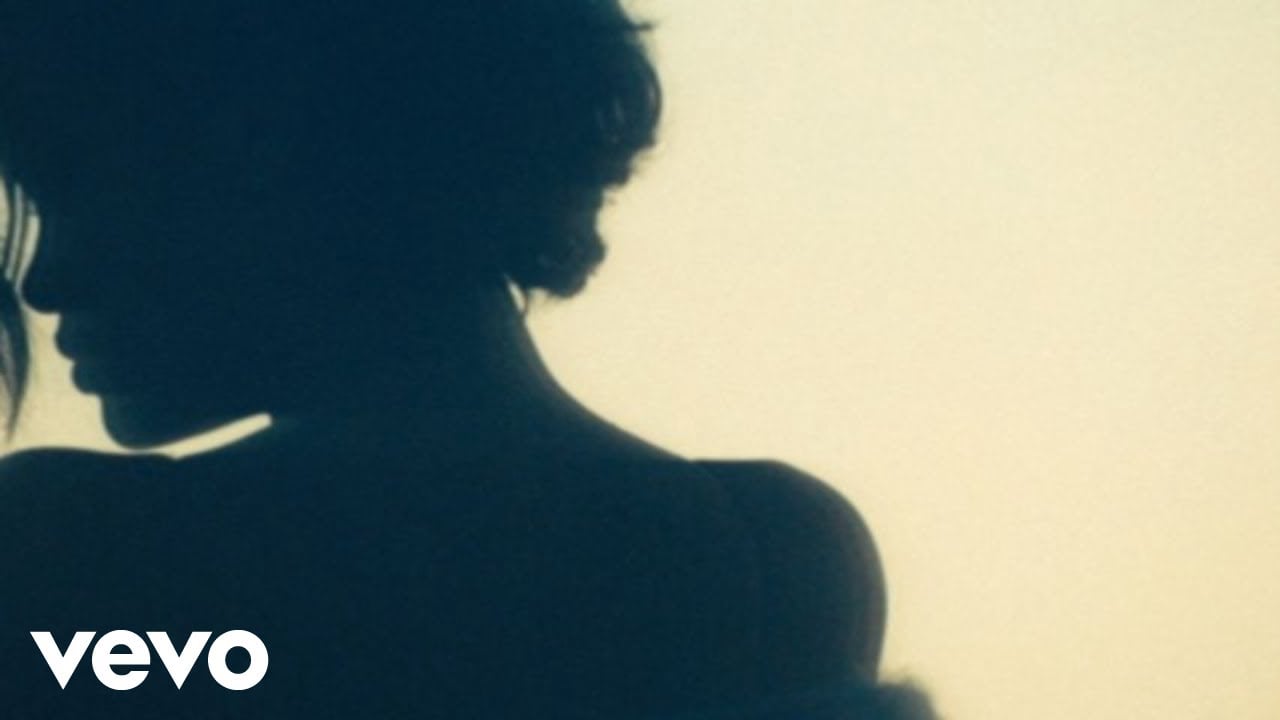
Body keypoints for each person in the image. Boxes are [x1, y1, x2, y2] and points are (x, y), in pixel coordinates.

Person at [0, 2, 935, 718]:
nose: (43, 282)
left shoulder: (77, 556)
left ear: (289, 160)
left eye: (83, 194)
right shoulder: (777, 560)